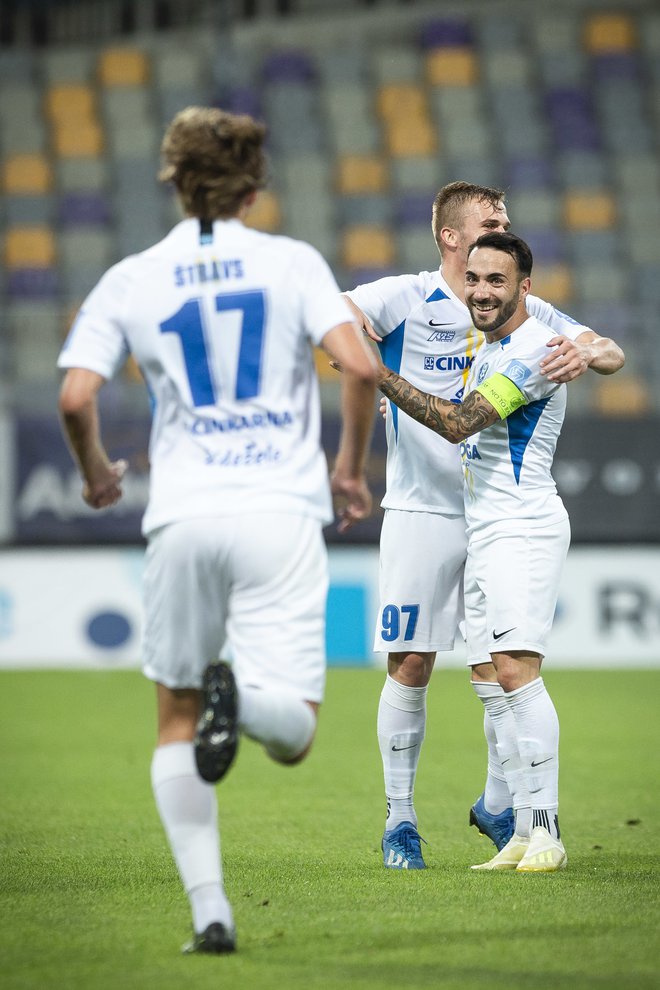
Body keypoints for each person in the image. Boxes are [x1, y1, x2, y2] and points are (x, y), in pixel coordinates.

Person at [57, 106, 377, 953]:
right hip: (278, 510)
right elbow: (362, 366)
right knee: (296, 732)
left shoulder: (132, 277)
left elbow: (75, 397)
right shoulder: (293, 263)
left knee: (173, 719)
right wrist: (348, 469)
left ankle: (211, 915)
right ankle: (243, 703)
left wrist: (96, 473)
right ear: (255, 183)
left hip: (184, 515)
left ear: (171, 177)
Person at [342, 181, 624, 869]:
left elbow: (608, 350)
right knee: (414, 662)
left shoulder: (518, 312)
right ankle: (401, 823)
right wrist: (353, 345)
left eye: (504, 222)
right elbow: (332, 319)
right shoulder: (406, 297)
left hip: (500, 512)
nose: (502, 224)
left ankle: (512, 809)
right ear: (449, 237)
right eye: (489, 221)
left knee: (501, 671)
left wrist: (587, 354)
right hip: (424, 506)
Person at [375, 230, 575, 870]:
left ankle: (544, 830)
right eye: (475, 279)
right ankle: (519, 828)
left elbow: (461, 423)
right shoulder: (490, 351)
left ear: (525, 289)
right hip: (487, 527)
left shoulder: (536, 350)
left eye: (497, 281)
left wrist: (375, 372)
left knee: (517, 669)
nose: (483, 291)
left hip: (521, 525)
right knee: (494, 674)